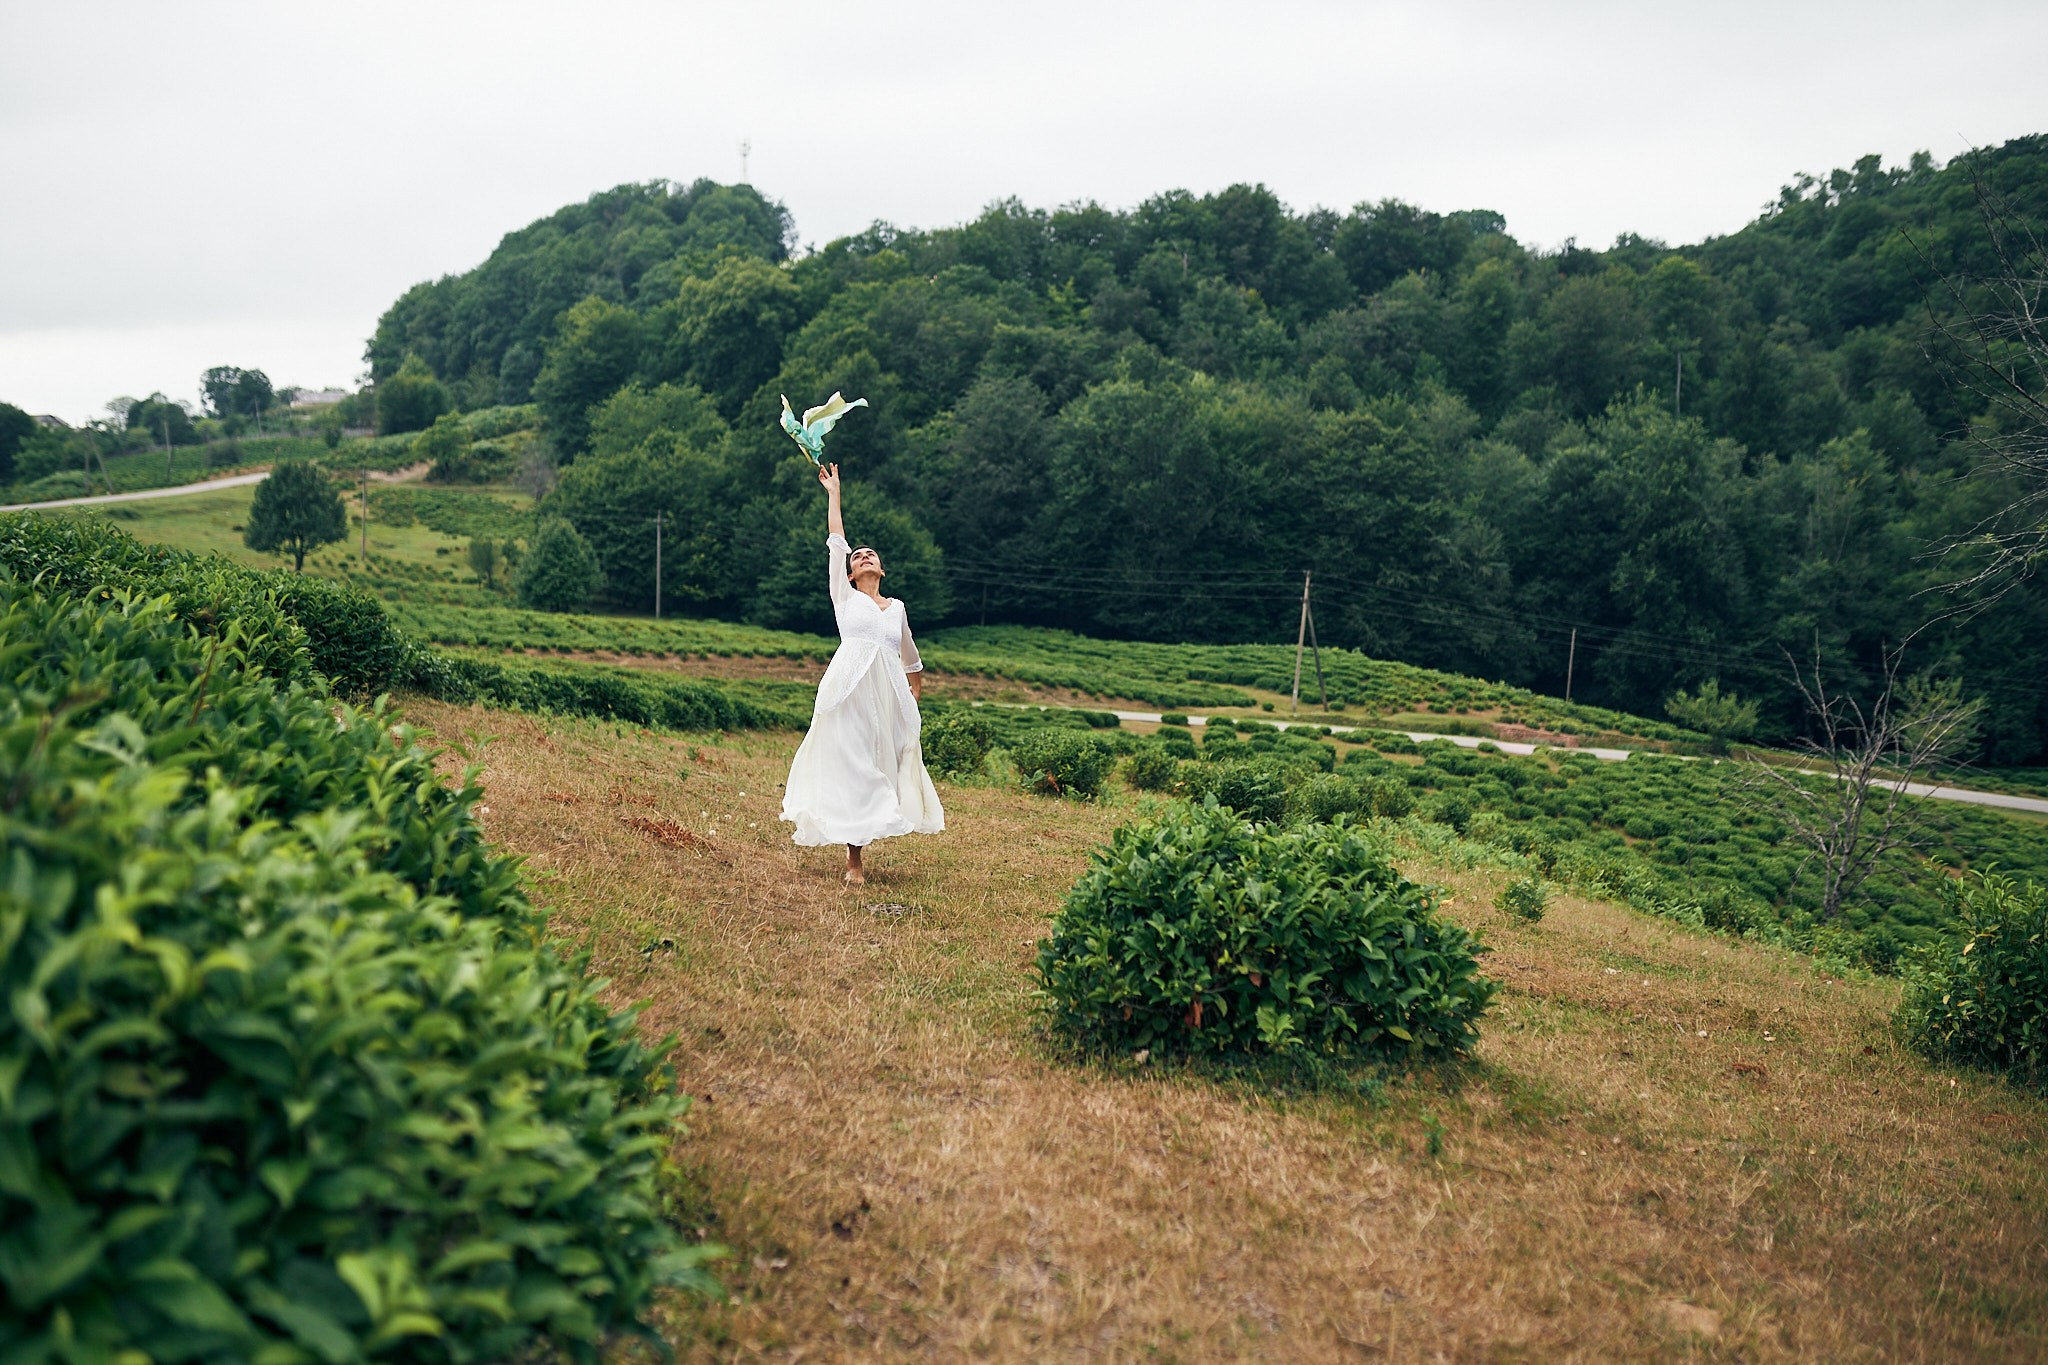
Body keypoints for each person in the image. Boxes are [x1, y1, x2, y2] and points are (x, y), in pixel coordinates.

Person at [780, 462, 944, 883]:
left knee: (880, 763)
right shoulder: (845, 598)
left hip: (885, 698)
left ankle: (875, 823)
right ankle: (854, 860)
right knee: (855, 764)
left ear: (881, 570)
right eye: (857, 557)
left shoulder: (897, 609)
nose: (863, 556)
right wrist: (834, 493)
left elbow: (911, 656)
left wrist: (914, 692)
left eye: (870, 554)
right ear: (850, 574)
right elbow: (836, 541)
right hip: (847, 691)